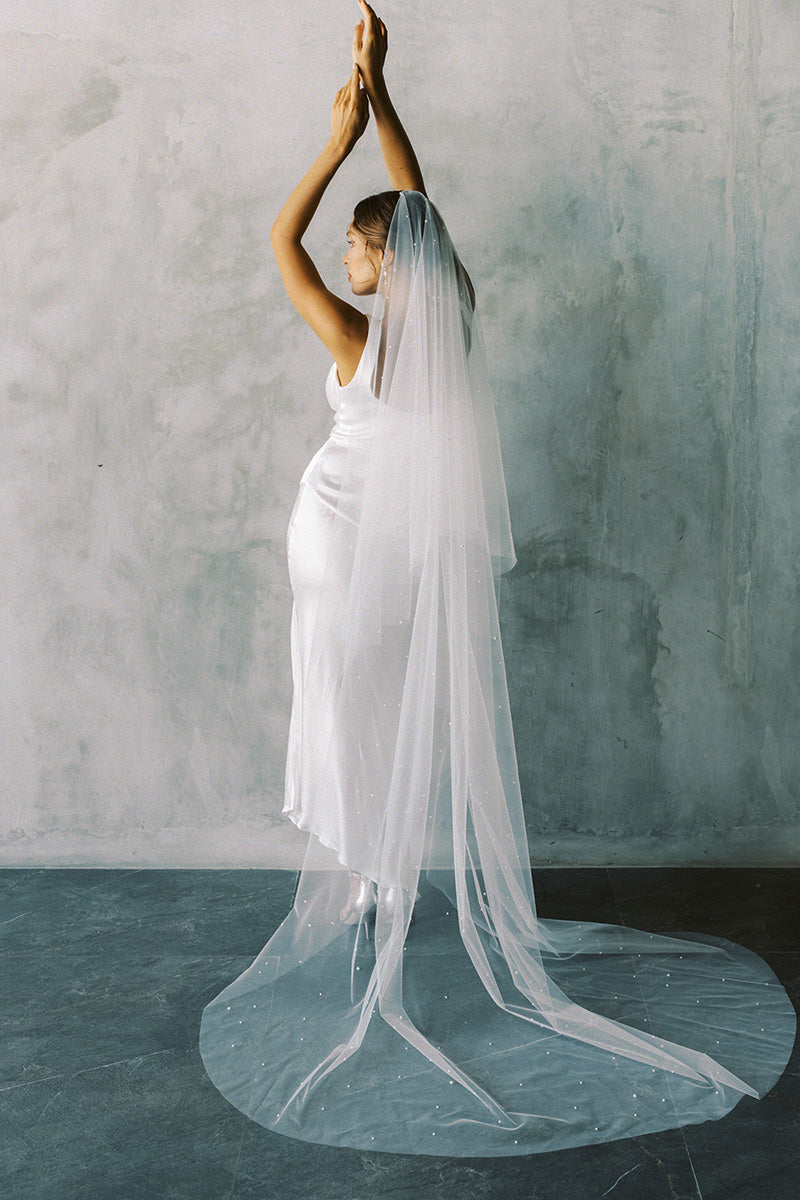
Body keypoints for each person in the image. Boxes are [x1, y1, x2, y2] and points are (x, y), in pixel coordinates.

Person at [200, 2, 795, 1156]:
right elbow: (419, 209)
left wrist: (334, 138)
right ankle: (377, 868)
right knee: (370, 702)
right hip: (388, 561)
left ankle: (370, 872)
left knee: (341, 705)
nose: (345, 259)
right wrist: (382, 94)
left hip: (339, 552)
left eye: (358, 247)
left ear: (384, 259)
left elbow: (277, 240)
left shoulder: (361, 344)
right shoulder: (452, 325)